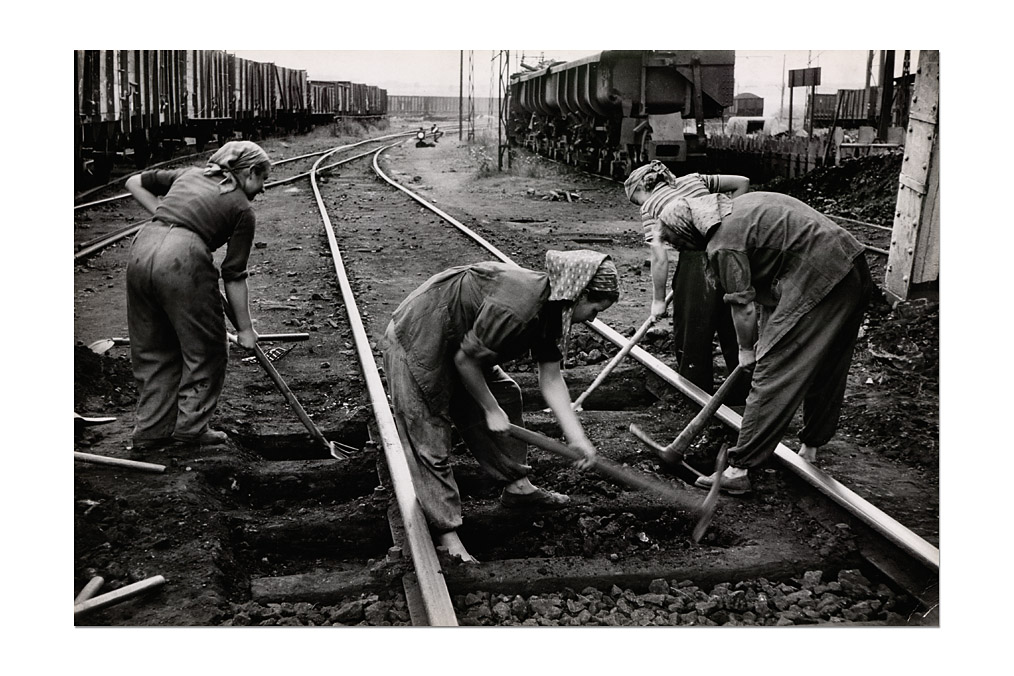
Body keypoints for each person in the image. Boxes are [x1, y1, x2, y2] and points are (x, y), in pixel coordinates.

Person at [382, 250, 619, 562]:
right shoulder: (519, 308)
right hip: (421, 336)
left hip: (462, 342)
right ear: (580, 292)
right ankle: (447, 536)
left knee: (506, 393)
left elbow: (551, 379)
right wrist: (490, 410)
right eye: (595, 308)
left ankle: (518, 487)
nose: (593, 318)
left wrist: (577, 439)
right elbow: (465, 362)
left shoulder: (555, 310)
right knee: (429, 431)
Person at [642, 191, 873, 494]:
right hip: (851, 264)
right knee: (828, 362)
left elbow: (743, 306)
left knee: (773, 370)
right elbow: (772, 271)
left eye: (680, 244)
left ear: (689, 234)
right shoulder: (736, 208)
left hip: (819, 275)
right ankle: (811, 448)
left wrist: (747, 350)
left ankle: (739, 469)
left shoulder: (724, 244)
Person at [124, 140, 271, 451]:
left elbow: (133, 181)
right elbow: (234, 275)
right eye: (263, 181)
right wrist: (245, 330)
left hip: (142, 247)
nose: (261, 190)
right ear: (252, 172)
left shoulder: (188, 174)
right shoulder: (242, 209)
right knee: (207, 349)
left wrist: (168, 216)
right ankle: (191, 428)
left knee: (153, 346)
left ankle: (150, 431)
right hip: (182, 259)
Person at [624, 161, 751, 403]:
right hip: (730, 251)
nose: (639, 205)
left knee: (693, 335)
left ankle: (695, 397)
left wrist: (658, 301)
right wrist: (729, 221)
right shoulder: (695, 179)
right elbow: (741, 182)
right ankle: (744, 394)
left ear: (643, 189)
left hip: (696, 264)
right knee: (734, 325)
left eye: (636, 200)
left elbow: (659, 258)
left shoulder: (650, 207)